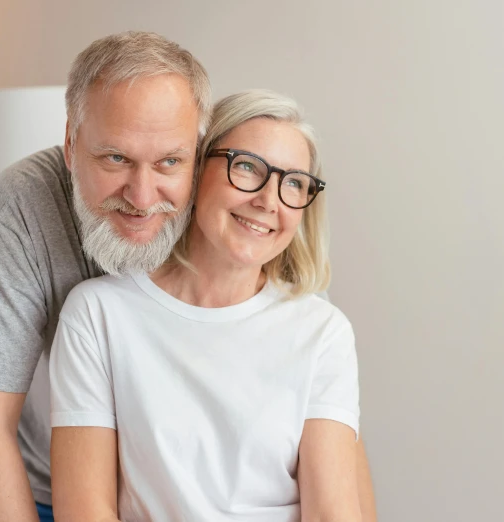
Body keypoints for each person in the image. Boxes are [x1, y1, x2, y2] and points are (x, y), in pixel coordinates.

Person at [0, 30, 375, 522]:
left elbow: (328, 423)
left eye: (169, 161)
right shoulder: (27, 214)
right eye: (116, 158)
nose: (143, 196)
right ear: (71, 144)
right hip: (44, 488)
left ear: (196, 155)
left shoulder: (276, 266)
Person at [50, 89, 366, 521]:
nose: (269, 201)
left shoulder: (322, 331)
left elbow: (332, 513)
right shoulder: (99, 314)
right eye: (248, 168)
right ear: (195, 173)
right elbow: (84, 511)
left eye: (294, 182)